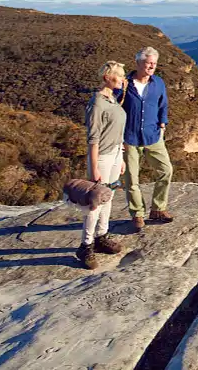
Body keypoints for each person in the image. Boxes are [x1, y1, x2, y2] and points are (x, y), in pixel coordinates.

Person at [118, 46, 174, 231]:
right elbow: (114, 109)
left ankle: (158, 209)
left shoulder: (158, 83)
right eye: (148, 62)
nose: (151, 66)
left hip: (153, 136)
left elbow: (162, 105)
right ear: (138, 63)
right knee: (131, 179)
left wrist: (163, 125)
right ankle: (138, 214)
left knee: (166, 171)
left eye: (154, 63)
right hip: (130, 138)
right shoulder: (124, 84)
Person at [77, 60, 126, 269]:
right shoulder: (97, 103)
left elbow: (117, 132)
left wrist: (121, 156)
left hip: (115, 154)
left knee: (109, 197)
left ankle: (101, 236)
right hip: (103, 157)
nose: (123, 79)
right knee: (95, 202)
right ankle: (85, 245)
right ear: (107, 77)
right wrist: (94, 166)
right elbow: (93, 138)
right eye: (119, 75)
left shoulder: (113, 99)